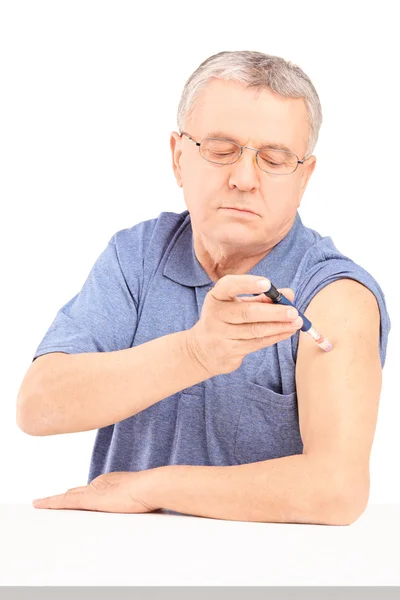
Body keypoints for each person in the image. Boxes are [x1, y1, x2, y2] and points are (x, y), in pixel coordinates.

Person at [17, 50, 391, 525]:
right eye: (220, 151)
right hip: (119, 573)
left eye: (275, 160)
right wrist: (196, 352)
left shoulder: (335, 294)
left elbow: (336, 490)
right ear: (178, 157)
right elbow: (38, 408)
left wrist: (148, 488)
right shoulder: (136, 257)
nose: (242, 179)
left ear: (304, 178)